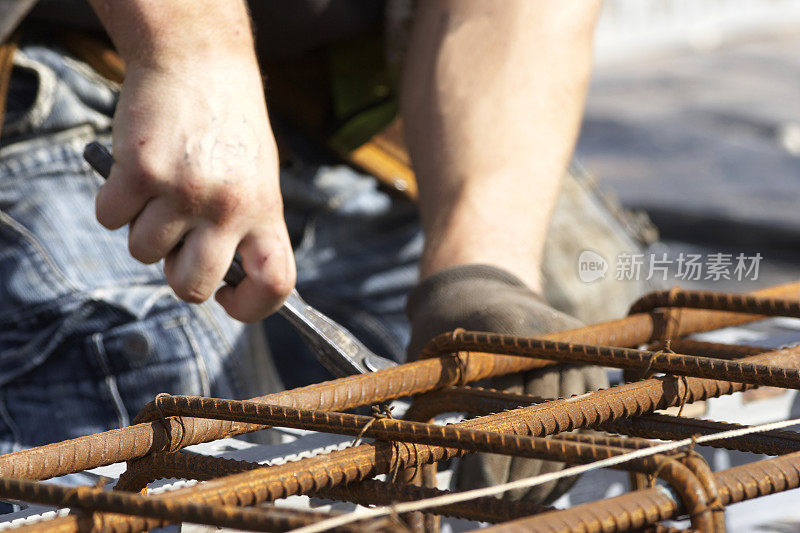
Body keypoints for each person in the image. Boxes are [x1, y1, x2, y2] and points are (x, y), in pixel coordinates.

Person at [0, 1, 652, 503]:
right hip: (54, 61)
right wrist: (189, 52)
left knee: (600, 342)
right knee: (188, 448)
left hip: (330, 96)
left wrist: (482, 272)